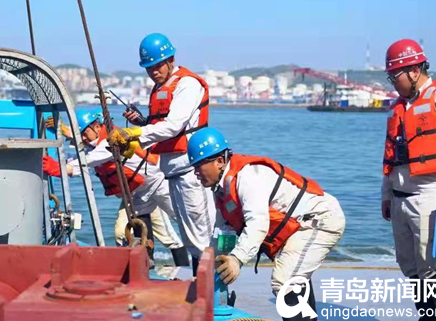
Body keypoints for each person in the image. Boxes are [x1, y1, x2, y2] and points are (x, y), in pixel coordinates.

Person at [187, 127, 345, 321]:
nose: (195, 172)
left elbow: (258, 223)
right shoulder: (221, 190)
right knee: (295, 274)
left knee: (285, 281)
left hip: (319, 220)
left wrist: (237, 260)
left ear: (219, 161)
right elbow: (223, 232)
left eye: (198, 166)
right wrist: (209, 271)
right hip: (299, 227)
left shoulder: (247, 177)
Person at [108, 33, 216, 272]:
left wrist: (134, 134)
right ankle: (202, 287)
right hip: (171, 171)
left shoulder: (187, 84)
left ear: (170, 59)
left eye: (157, 65)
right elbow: (160, 126)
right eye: (149, 68)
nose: (154, 71)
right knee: (189, 236)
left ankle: (215, 294)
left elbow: (175, 126)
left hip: (191, 170)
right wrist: (142, 122)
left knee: (201, 234)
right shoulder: (160, 87)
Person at [43, 108, 189, 266]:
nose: (83, 139)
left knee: (182, 223)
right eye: (81, 135)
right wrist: (62, 144)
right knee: (123, 232)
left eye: (85, 134)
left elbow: (89, 160)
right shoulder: (93, 142)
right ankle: (145, 265)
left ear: (98, 127)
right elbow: (83, 150)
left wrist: (63, 168)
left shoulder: (111, 142)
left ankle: (192, 263)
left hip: (158, 184)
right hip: (136, 193)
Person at [382, 39, 436, 319]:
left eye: (393, 76)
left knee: (434, 268)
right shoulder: (399, 108)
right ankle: (426, 315)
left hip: (430, 196)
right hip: (400, 199)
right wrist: (386, 196)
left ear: (412, 71)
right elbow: (390, 159)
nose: (392, 83)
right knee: (410, 267)